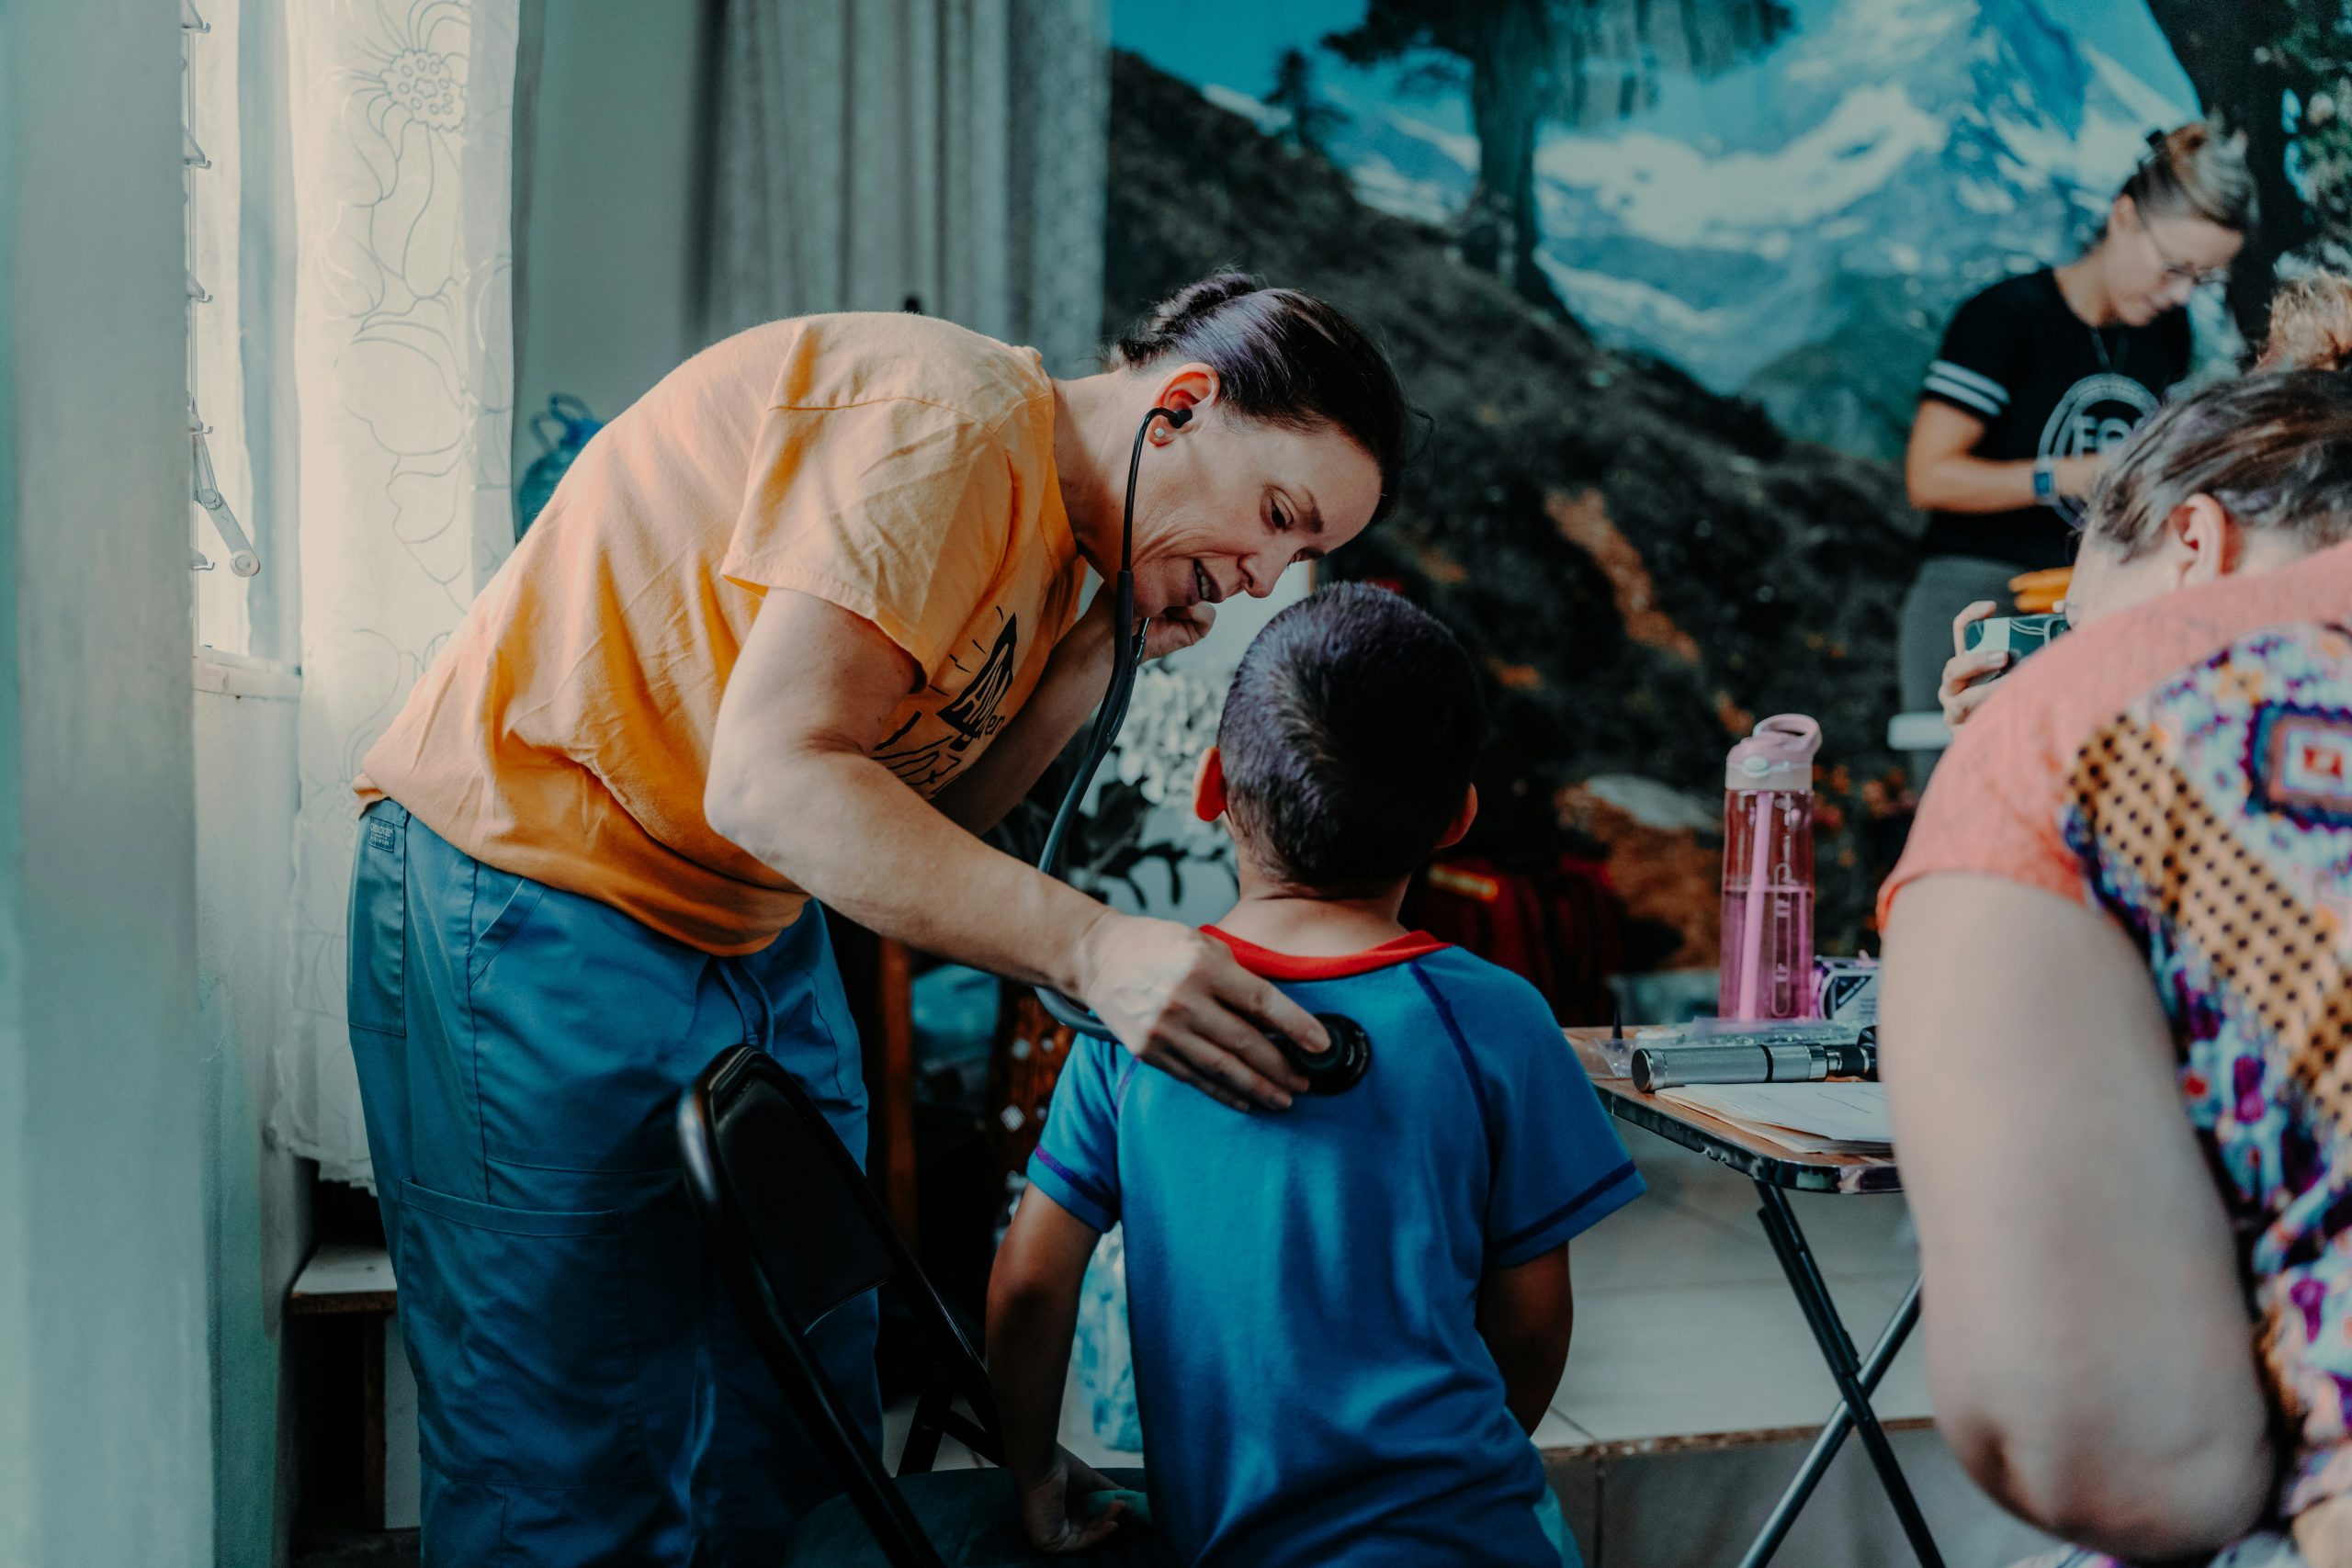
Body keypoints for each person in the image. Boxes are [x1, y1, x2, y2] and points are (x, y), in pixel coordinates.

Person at [345, 274, 1408, 1563]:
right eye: (1277, 516)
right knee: (571, 1455)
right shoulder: (947, 424)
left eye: (1301, 557)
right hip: (531, 885)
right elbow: (775, 778)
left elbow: (922, 818)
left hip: (743, 915)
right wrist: (1094, 944)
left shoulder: (1058, 549)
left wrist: (1091, 652)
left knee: (792, 1416)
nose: (1259, 577)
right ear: (1181, 403)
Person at [987, 584, 1645, 1565]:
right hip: (1468, 1536)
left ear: (1210, 787)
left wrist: (1035, 1478)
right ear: (1457, 819)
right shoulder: (1499, 1020)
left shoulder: (1136, 1017)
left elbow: (1031, 1289)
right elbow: (1533, 1320)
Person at [1877, 349, 2352, 1568]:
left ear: (2194, 542)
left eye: (2079, 618)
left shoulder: (2089, 720)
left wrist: (2038, 740)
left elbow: (2100, 1448)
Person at [1897, 121, 2254, 778]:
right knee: (1970, 792)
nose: (2178, 293)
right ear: (2123, 218)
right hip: (1979, 589)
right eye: (2173, 267)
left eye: (2200, 280)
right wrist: (2070, 474)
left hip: (2088, 597)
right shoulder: (2007, 316)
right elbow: (1929, 475)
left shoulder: (2163, 333)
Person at [1935, 272, 2352, 732]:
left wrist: (2002, 763)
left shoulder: (2179, 760)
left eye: (2077, 632)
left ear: (2195, 544)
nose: (2180, 295)